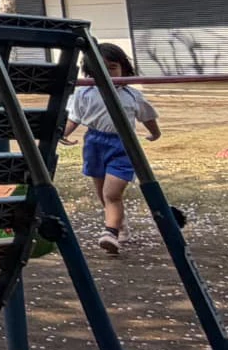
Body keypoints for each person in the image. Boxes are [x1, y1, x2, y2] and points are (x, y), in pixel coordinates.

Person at [62, 42, 161, 255]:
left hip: (123, 145)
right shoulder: (84, 93)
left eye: (112, 68)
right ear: (90, 71)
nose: (107, 74)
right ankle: (119, 224)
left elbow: (147, 116)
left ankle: (110, 233)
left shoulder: (132, 95)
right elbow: (75, 117)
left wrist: (155, 133)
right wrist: (65, 133)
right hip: (95, 144)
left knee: (112, 192)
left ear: (123, 68)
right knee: (102, 192)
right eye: (100, 68)